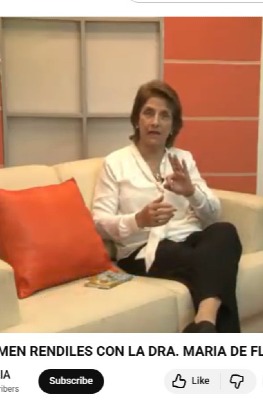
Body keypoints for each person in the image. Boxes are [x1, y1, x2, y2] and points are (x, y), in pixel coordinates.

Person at [91, 79, 242, 333]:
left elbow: (213, 215)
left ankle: (204, 323)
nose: (155, 122)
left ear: (173, 125)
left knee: (225, 232)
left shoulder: (183, 159)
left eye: (164, 116)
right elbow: (99, 223)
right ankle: (207, 327)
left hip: (188, 238)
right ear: (136, 119)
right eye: (148, 113)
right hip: (143, 251)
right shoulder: (115, 163)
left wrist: (191, 192)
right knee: (214, 264)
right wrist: (138, 220)